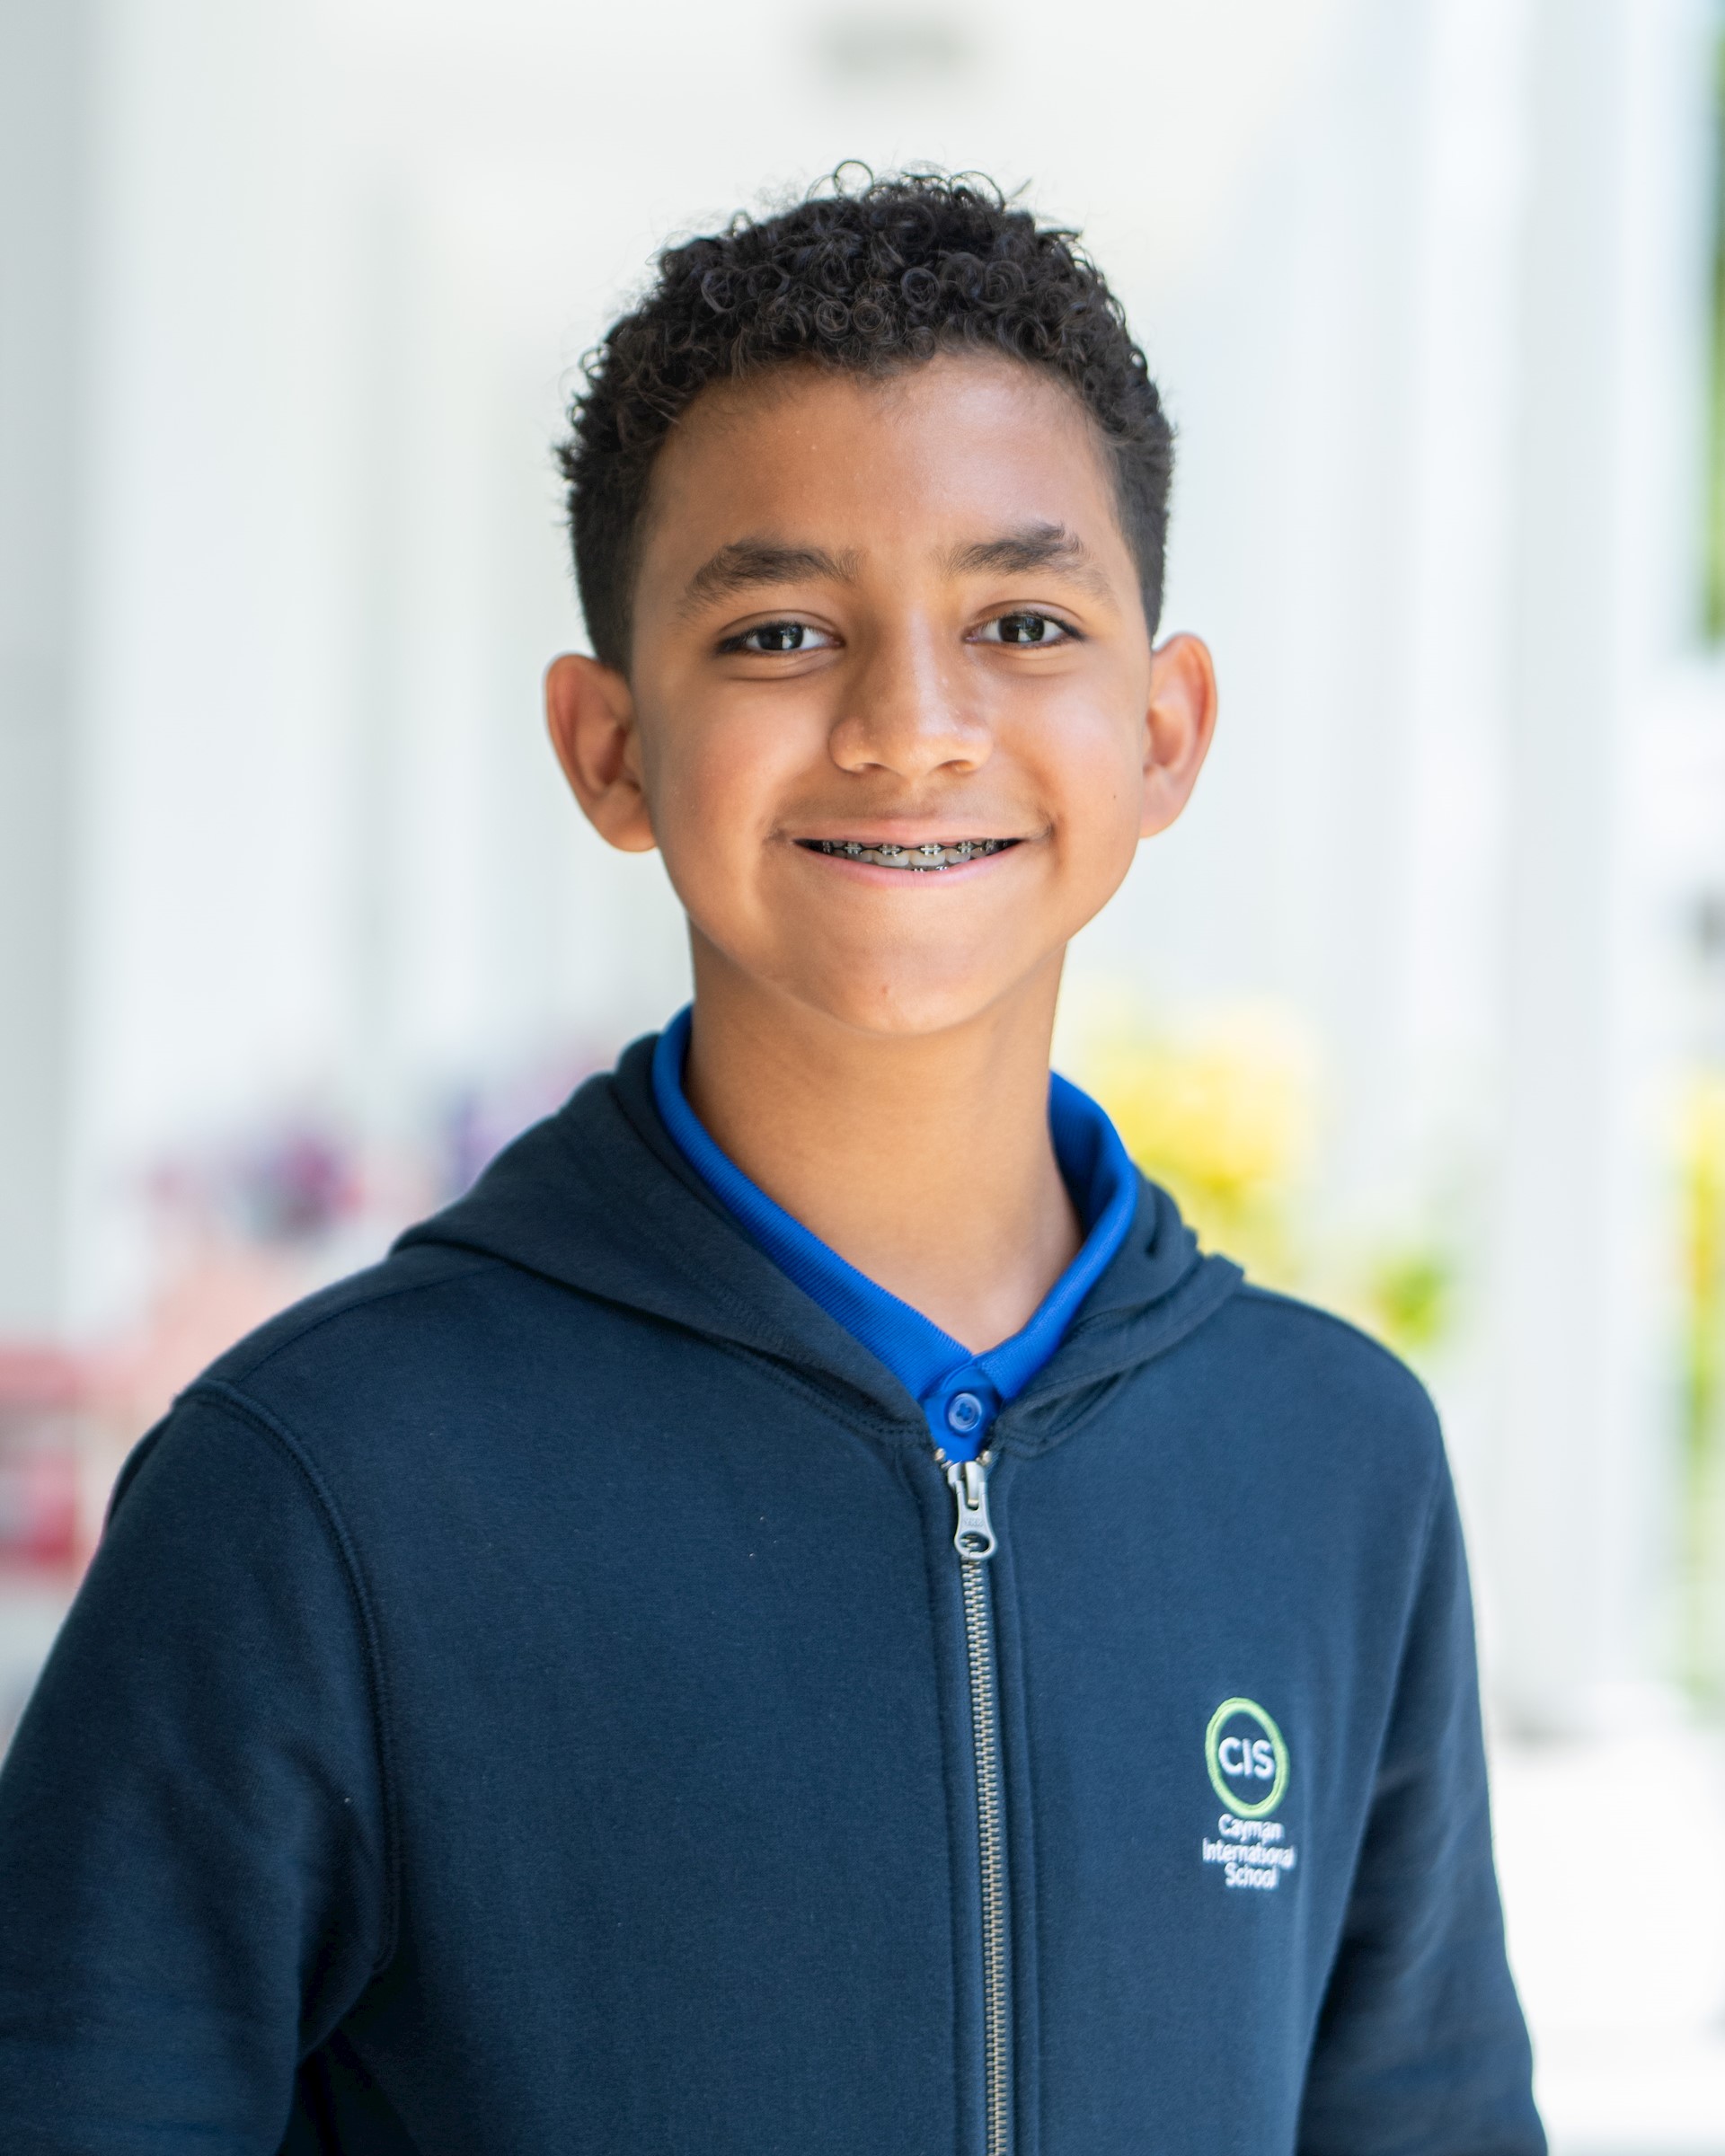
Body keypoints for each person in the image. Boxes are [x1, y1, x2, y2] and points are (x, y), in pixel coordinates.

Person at [0, 172, 1543, 2154]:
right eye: (783, 630)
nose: (912, 728)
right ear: (611, 748)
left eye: (1022, 621)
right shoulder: (320, 1487)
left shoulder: (1335, 1464)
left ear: (1164, 731)